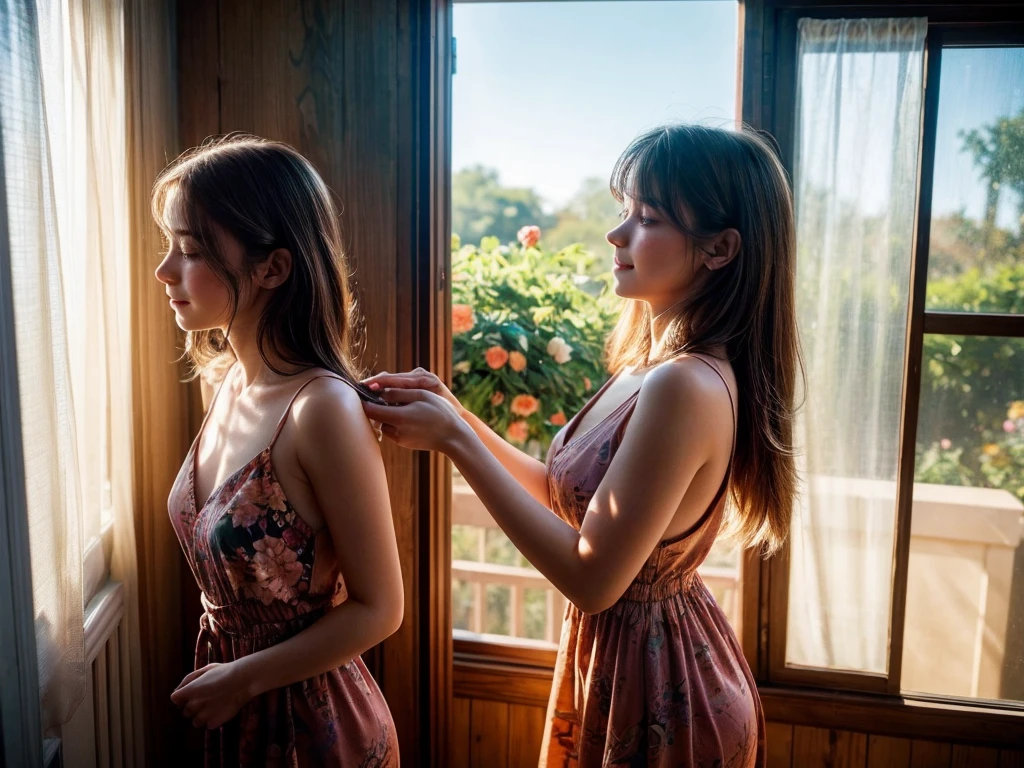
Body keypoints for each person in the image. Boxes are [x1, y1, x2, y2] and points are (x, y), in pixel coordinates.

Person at [364, 124, 800, 767]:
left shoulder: (687, 384)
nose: (617, 234)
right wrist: (457, 413)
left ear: (720, 248)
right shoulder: (650, 366)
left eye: (647, 218)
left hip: (662, 687)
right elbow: (562, 494)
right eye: (624, 211)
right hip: (632, 657)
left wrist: (457, 441)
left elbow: (593, 578)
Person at [155, 135, 401, 767]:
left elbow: (381, 609)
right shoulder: (226, 379)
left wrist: (242, 680)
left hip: (310, 724)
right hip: (230, 703)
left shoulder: (321, 409)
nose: (165, 271)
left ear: (273, 268)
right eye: (169, 246)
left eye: (190, 250)